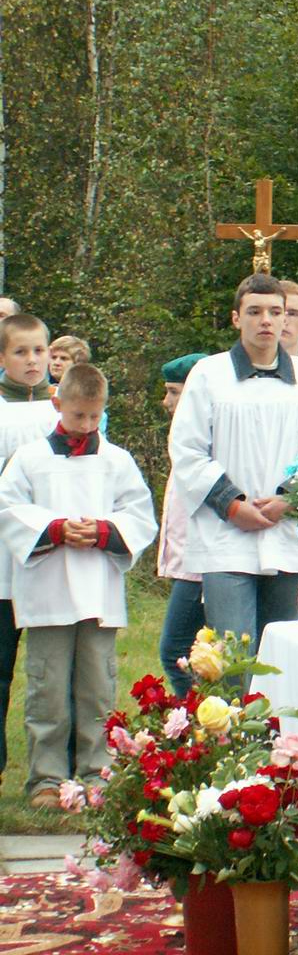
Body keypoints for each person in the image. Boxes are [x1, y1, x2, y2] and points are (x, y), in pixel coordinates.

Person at [0, 363, 156, 808]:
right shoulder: (29, 459)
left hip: (97, 592)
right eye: (77, 415)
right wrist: (54, 529)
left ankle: (96, 772)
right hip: (47, 591)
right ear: (58, 404)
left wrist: (104, 532)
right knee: (46, 688)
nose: (86, 425)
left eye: (94, 416)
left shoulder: (116, 460)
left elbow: (139, 514)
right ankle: (46, 778)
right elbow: (8, 509)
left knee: (97, 687)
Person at [167, 273, 298, 642]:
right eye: (255, 312)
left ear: (286, 318)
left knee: (280, 650)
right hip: (225, 537)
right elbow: (187, 450)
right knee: (232, 654)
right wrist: (232, 504)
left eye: (275, 312)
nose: (265, 320)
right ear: (237, 318)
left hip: (287, 533)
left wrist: (289, 499)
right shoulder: (209, 374)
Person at [0, 312, 59, 790]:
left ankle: (54, 773)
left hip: (54, 557)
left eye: (39, 350)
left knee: (51, 673)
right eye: (21, 352)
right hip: (3, 559)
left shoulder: (64, 410)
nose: (32, 361)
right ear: (3, 357)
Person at [156, 353, 208, 694]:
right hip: (188, 563)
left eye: (174, 392)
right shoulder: (184, 436)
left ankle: (195, 717)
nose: (166, 401)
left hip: (200, 565)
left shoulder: (205, 439)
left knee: (176, 651)